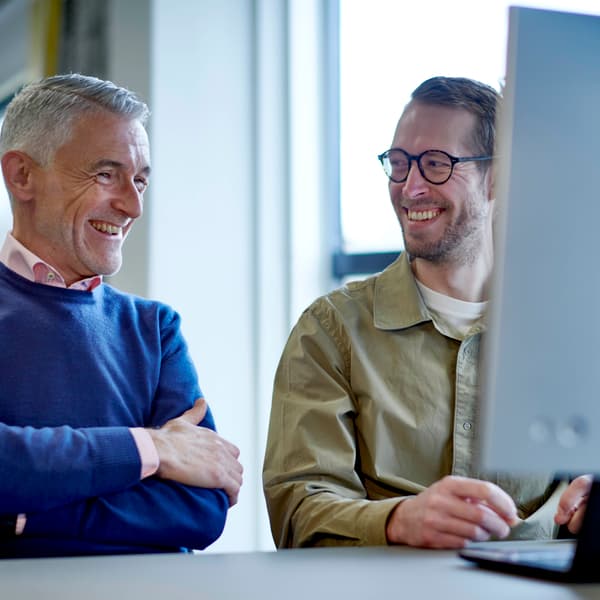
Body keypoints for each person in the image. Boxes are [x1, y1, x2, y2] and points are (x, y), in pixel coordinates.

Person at [263, 75, 566, 549]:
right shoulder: (330, 330)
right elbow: (297, 509)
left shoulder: (565, 331)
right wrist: (398, 521)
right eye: (399, 164)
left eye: (436, 164)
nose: (410, 187)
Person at [0, 73, 243, 557]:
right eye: (106, 174)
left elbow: (202, 506)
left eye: (140, 180)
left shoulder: (155, 329)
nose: (132, 205)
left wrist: (23, 516)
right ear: (22, 175)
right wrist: (155, 449)